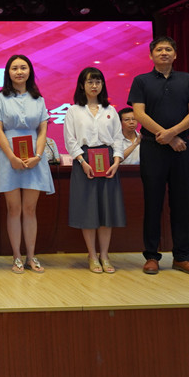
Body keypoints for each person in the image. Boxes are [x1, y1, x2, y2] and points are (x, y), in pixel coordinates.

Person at [128, 36, 189, 276]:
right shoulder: (141, 80)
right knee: (152, 202)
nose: (164, 52)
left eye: (168, 49)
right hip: (153, 147)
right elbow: (139, 114)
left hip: (182, 148)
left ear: (175, 54)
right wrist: (168, 137)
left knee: (181, 203)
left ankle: (182, 257)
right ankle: (151, 256)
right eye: (159, 49)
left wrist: (173, 134)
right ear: (151, 55)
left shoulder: (187, 79)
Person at [0, 54, 55, 274]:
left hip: (34, 157)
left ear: (30, 71)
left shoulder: (38, 99)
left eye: (23, 68)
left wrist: (38, 155)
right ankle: (16, 256)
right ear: (8, 72)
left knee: (30, 209)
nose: (19, 72)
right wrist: (11, 157)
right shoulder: (0, 98)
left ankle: (31, 256)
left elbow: (43, 130)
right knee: (14, 208)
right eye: (14, 68)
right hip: (9, 158)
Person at [62, 67, 126, 273]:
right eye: (90, 82)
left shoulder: (110, 110)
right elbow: (70, 140)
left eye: (98, 82)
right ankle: (92, 255)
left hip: (108, 161)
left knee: (107, 210)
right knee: (88, 210)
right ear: (82, 85)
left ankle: (104, 255)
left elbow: (118, 138)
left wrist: (117, 160)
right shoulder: (73, 111)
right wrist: (82, 161)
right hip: (85, 162)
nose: (94, 85)